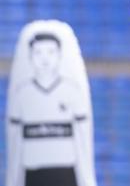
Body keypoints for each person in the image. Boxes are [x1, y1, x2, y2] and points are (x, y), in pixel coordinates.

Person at [7, 33, 92, 186]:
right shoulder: (22, 92)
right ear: (30, 55)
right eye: (38, 52)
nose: (44, 58)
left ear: (59, 54)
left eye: (50, 52)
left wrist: (87, 179)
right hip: (33, 173)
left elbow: (82, 138)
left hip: (66, 172)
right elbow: (15, 141)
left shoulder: (72, 90)